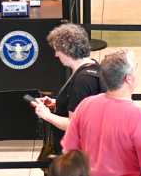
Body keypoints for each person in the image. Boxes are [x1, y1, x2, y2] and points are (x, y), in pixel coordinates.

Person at [32, 23, 104, 153]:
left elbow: (74, 125)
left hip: (75, 154)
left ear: (68, 52)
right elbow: (83, 106)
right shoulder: (94, 67)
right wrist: (56, 103)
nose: (56, 55)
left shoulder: (82, 81)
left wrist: (46, 115)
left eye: (57, 50)